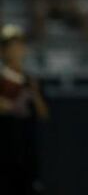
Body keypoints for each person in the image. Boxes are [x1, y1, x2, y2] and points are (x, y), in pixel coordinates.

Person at [0, 24, 49, 195]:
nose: (15, 51)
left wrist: (33, 92)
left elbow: (43, 114)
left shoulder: (31, 80)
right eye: (9, 47)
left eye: (18, 46)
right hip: (5, 153)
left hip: (27, 152)